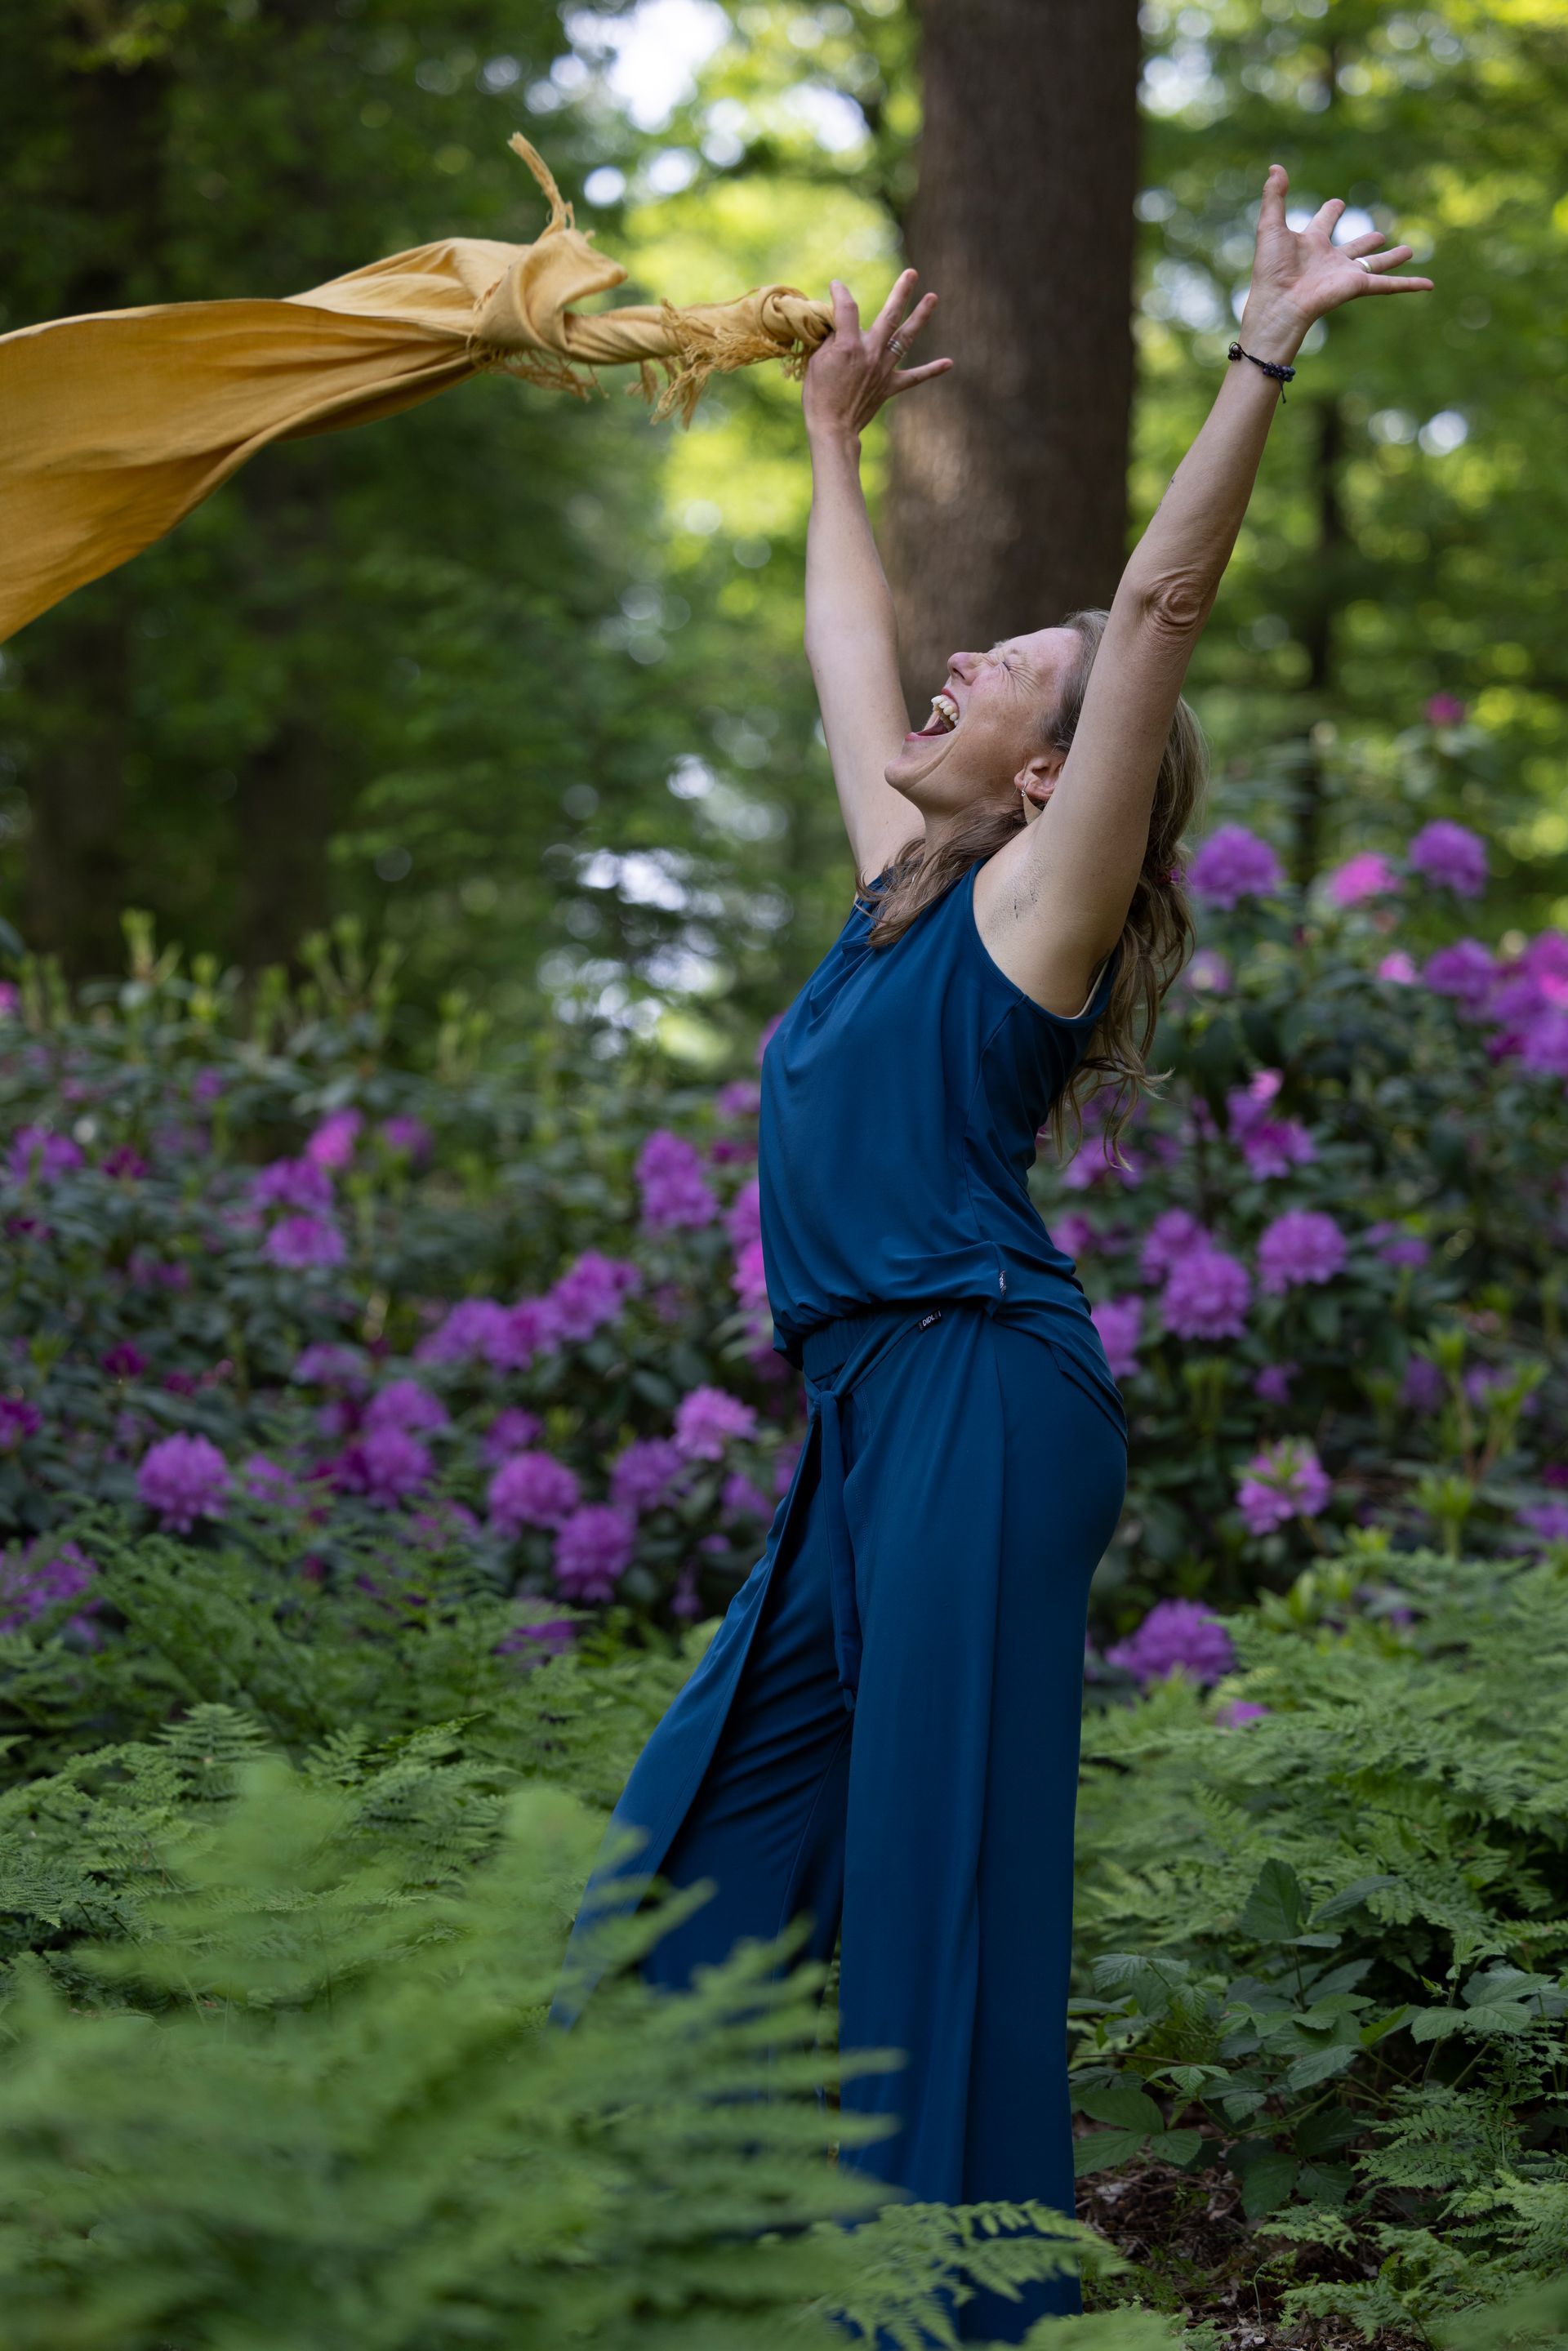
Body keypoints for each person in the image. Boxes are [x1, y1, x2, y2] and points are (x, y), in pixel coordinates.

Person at [557, 166, 1431, 2337]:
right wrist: (835, 435)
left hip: (978, 1391)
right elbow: (853, 642)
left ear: (1056, 783)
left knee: (942, 1862)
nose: (965, 662)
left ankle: (944, 2313)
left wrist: (1266, 344)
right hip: (873, 1428)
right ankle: (695, 2248)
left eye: (1008, 673)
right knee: (695, 1847)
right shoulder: (902, 889)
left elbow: (1150, 620)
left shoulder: (1033, 914)